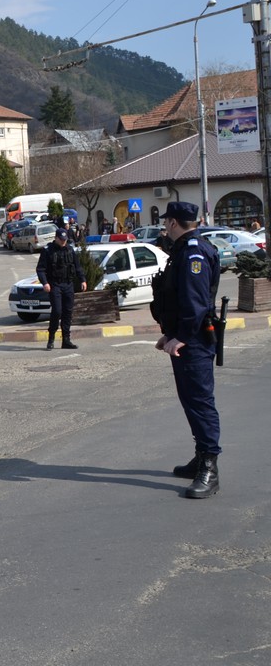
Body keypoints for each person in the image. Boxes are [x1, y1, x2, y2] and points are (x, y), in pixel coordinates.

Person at [153, 201, 222, 499]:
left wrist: (179, 336)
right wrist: (169, 334)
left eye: (166, 221)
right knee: (190, 400)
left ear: (173, 223)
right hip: (185, 338)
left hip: (194, 340)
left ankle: (210, 467)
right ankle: (200, 456)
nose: (164, 226)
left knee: (200, 401)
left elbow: (194, 302)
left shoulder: (193, 251)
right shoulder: (183, 249)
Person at [36, 229, 86, 350]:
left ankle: (66, 340)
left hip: (68, 284)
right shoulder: (48, 251)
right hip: (54, 285)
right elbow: (40, 269)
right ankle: (51, 338)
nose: (64, 242)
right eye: (61, 240)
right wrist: (45, 283)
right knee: (57, 311)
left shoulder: (69, 249)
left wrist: (83, 279)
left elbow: (77, 266)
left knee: (68, 312)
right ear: (56, 238)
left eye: (65, 240)